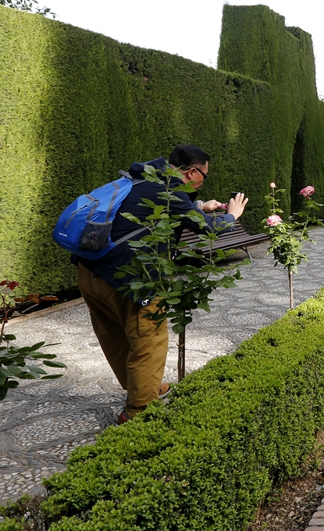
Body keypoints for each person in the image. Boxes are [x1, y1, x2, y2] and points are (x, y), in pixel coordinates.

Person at [75, 144, 248, 424]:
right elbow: (210, 229)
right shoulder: (173, 190)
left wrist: (200, 207)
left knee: (115, 336)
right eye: (205, 175)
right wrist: (232, 215)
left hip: (90, 271)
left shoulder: (143, 179)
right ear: (192, 171)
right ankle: (139, 412)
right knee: (149, 339)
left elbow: (149, 211)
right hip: (130, 278)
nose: (204, 181)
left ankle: (144, 388)